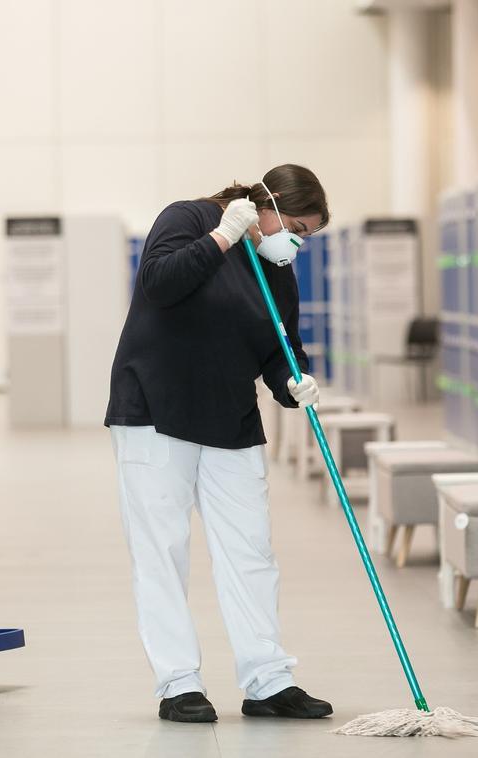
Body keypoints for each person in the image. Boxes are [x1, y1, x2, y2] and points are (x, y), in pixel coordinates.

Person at [105, 164, 332, 723]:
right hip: (154, 412)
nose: (297, 242)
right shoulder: (190, 218)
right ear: (270, 203)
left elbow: (279, 346)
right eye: (297, 227)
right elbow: (159, 283)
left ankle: (268, 682)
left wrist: (291, 381)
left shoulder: (277, 269)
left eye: (308, 236)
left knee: (251, 552)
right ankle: (178, 683)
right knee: (162, 551)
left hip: (228, 416)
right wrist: (224, 236)